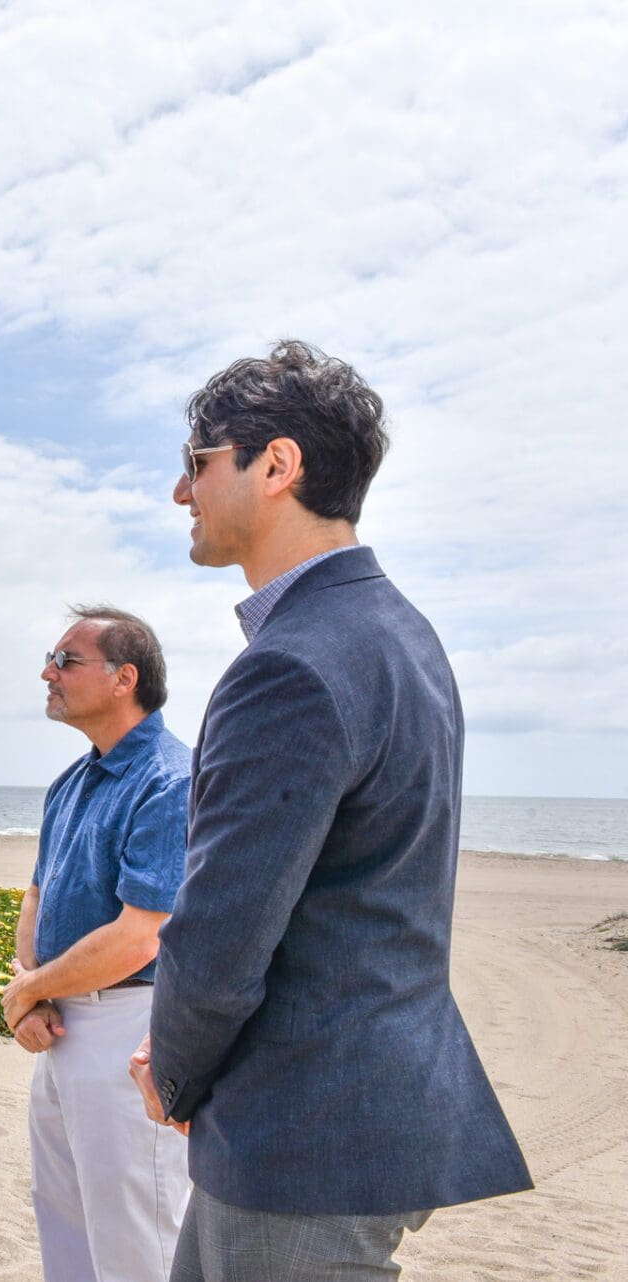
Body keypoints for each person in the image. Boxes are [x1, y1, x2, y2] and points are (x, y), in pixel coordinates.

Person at [133, 341, 532, 1280]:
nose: (180, 493)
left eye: (196, 464)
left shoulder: (291, 664)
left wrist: (176, 1071)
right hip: (374, 1107)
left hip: (304, 1133)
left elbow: (224, 930)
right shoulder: (402, 634)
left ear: (277, 465)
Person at [0, 608, 191, 1281]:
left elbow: (142, 935)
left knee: (137, 1233)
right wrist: (32, 996)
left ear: (124, 679)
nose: (48, 673)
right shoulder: (71, 784)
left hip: (131, 1027)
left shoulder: (171, 780)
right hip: (60, 1027)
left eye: (66, 660)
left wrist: (28, 988)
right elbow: (37, 896)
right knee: (65, 1219)